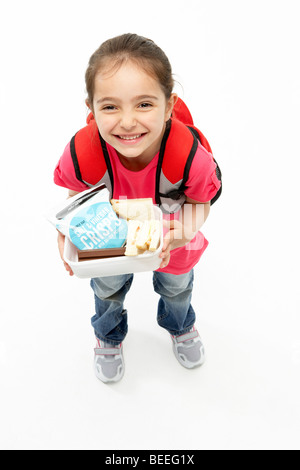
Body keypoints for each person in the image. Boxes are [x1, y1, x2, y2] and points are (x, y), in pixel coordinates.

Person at [54, 33, 222, 383]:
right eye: (111, 107)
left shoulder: (187, 153)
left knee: (177, 287)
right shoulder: (83, 150)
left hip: (173, 233)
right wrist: (66, 232)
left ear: (169, 105)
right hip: (108, 237)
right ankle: (109, 335)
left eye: (144, 104)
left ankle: (180, 324)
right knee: (107, 289)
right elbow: (74, 196)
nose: (127, 122)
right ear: (92, 108)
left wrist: (188, 229)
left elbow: (200, 199)